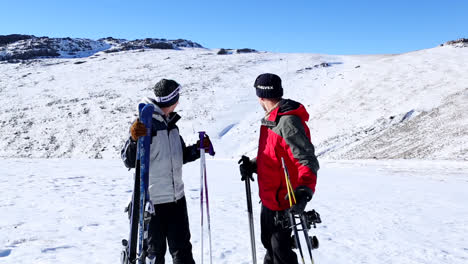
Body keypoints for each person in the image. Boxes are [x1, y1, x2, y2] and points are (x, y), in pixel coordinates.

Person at [121, 79, 213, 264]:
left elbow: (178, 157)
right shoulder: (145, 123)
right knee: (155, 255)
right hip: (153, 203)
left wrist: (197, 149)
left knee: (183, 251)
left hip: (177, 199)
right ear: (173, 100)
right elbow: (129, 160)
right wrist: (133, 140)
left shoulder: (171, 125)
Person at [238, 73, 319, 264]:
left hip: (285, 201)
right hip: (268, 199)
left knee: (281, 253)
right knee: (270, 247)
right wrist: (254, 164)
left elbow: (306, 159)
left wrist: (304, 192)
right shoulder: (271, 119)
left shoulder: (288, 121)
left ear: (260, 96)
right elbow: (276, 154)